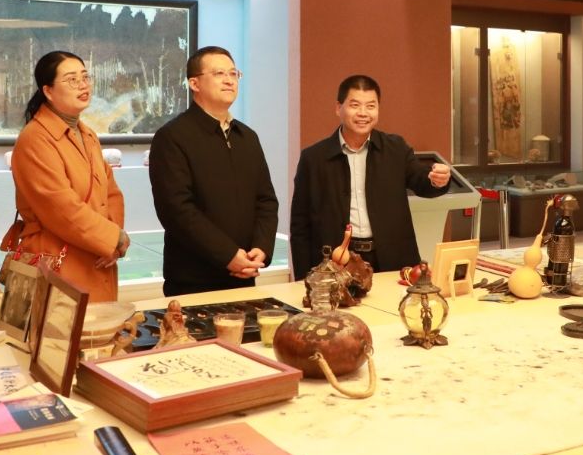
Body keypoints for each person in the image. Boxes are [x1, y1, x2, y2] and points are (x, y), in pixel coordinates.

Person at [290, 74, 450, 277]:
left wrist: (437, 180)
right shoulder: (314, 158)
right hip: (336, 262)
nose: (363, 113)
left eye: (371, 106)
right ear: (338, 108)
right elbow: (300, 224)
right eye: (355, 105)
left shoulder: (395, 149)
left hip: (392, 258)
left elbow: (421, 180)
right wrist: (304, 278)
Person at [149, 46, 278, 297]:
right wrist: (228, 255)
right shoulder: (172, 137)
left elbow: (266, 200)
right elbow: (177, 210)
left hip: (245, 274)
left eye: (233, 73)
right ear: (194, 83)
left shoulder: (247, 137)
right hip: (193, 281)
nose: (229, 80)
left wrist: (261, 248)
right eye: (219, 73)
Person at [10, 51, 127, 301]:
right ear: (48, 91)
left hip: (98, 257)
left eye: (85, 77)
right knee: (63, 324)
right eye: (72, 80)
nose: (83, 85)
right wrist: (112, 237)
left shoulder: (87, 134)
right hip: (59, 263)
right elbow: (61, 208)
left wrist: (114, 240)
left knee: (103, 325)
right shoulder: (35, 139)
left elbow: (111, 192)